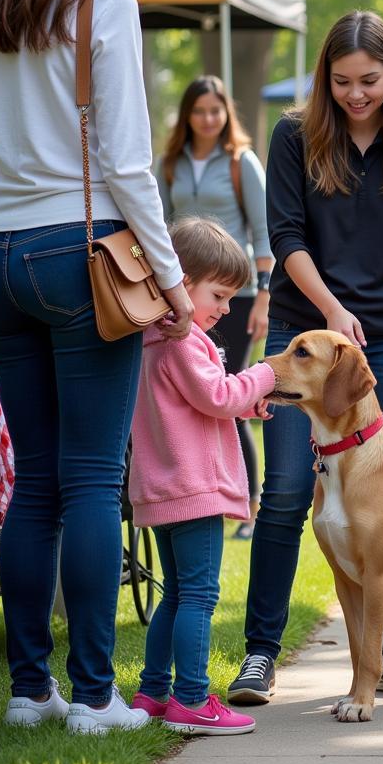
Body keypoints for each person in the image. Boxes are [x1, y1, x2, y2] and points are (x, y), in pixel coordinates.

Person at [0, 0, 193, 732]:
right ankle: (94, 697)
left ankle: (28, 691)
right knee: (93, 479)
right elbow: (128, 163)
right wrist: (172, 284)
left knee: (36, 484)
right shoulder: (104, 3)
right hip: (82, 249)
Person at [227, 10, 383, 705]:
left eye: (371, 81)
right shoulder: (295, 137)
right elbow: (286, 236)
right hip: (305, 338)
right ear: (326, 78)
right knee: (290, 491)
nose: (357, 94)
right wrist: (329, 311)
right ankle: (260, 653)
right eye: (344, 81)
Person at [128, 217, 276, 734]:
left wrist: (247, 403)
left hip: (164, 487)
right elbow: (216, 395)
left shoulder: (150, 338)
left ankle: (152, 693)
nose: (226, 308)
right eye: (219, 294)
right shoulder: (183, 339)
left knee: (174, 593)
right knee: (198, 596)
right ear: (181, 280)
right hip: (194, 490)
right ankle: (192, 700)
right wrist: (268, 374)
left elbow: (200, 404)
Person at [158, 75, 273, 540]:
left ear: (227, 113)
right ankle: (194, 493)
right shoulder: (170, 164)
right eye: (199, 110)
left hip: (235, 294)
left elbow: (264, 231)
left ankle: (249, 501)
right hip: (181, 290)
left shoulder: (239, 162)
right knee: (188, 396)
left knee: (228, 391)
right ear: (187, 115)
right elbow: (161, 227)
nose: (208, 118)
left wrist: (265, 293)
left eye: (216, 110)